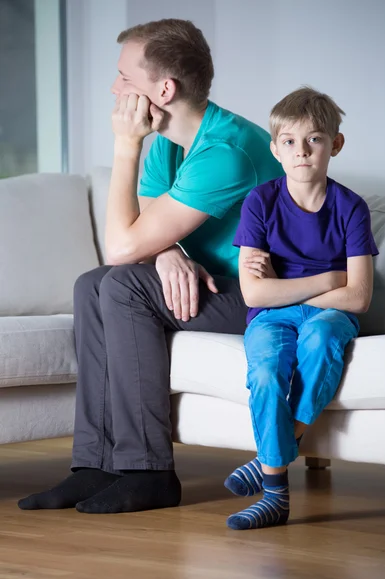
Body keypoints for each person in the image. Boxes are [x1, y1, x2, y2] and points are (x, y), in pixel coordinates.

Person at [18, 19, 283, 513]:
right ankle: (95, 464)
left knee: (122, 286)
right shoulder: (170, 140)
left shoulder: (223, 152)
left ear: (164, 89)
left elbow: (121, 247)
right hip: (228, 284)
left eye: (124, 76)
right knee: (92, 285)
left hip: (276, 297)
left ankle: (149, 472)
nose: (115, 88)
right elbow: (139, 234)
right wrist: (167, 253)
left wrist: (124, 145)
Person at [224, 86, 378, 530]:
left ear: (336, 144)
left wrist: (285, 286)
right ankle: (277, 498)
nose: (302, 151)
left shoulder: (351, 208)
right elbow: (254, 296)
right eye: (289, 141)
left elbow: (359, 298)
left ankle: (271, 475)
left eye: (314, 139)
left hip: (332, 316)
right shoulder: (260, 203)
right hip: (271, 316)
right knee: (268, 369)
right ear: (275, 149)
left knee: (323, 336)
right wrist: (331, 279)